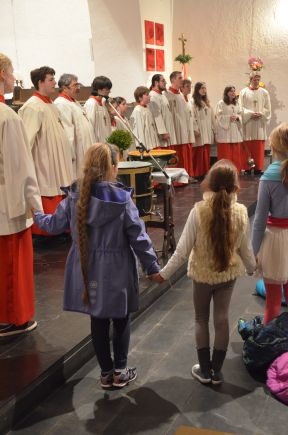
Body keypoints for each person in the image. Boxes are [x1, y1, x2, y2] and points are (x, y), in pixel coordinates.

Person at [33, 143, 160, 388]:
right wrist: (152, 266)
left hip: (86, 267)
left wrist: (35, 213)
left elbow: (52, 225)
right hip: (118, 267)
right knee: (121, 319)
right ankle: (120, 371)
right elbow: (139, 236)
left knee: (98, 320)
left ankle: (105, 373)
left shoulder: (74, 196)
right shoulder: (122, 199)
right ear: (113, 167)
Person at [150, 160, 256, 384]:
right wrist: (252, 268)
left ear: (209, 183)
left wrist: (164, 274)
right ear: (236, 187)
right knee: (222, 319)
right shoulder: (241, 212)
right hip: (227, 275)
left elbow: (181, 251)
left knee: (201, 319)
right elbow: (246, 248)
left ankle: (204, 370)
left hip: (202, 275)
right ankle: (217, 371)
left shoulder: (198, 211)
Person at [0, 53, 43, 337]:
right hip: (7, 204)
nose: (14, 76)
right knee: (10, 266)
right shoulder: (6, 116)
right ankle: (11, 319)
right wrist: (35, 206)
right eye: (11, 70)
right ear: (2, 73)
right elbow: (21, 168)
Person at [18, 66, 73, 235]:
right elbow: (26, 142)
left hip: (58, 163)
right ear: (40, 82)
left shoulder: (50, 104)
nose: (55, 83)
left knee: (60, 190)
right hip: (46, 165)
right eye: (51, 79)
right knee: (49, 193)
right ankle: (46, 231)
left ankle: (61, 227)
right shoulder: (33, 107)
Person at [252, 123, 288, 325]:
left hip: (275, 241)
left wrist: (252, 252)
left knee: (273, 303)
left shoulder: (268, 177)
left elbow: (258, 220)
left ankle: (269, 347)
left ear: (273, 148)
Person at [54, 73, 95, 178]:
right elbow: (67, 133)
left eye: (78, 85)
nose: (78, 88)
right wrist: (70, 155)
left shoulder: (74, 102)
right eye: (75, 85)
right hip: (77, 155)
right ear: (64, 88)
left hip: (85, 152)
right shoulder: (61, 103)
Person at [239, 71, 271, 174]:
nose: (257, 81)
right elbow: (240, 108)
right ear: (250, 80)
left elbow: (268, 108)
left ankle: (258, 168)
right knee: (248, 144)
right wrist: (250, 114)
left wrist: (261, 114)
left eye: (258, 80)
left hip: (259, 123)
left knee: (258, 145)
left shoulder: (264, 92)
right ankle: (247, 168)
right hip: (248, 122)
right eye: (255, 79)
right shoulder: (243, 92)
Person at [164, 71, 195, 176]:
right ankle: (176, 179)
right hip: (175, 130)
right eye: (180, 78)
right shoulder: (167, 95)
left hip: (184, 129)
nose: (182, 80)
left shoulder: (181, 95)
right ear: (172, 80)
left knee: (184, 154)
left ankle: (185, 176)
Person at [216, 86, 243, 172]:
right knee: (225, 152)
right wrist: (228, 118)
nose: (233, 93)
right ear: (226, 93)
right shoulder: (221, 103)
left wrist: (238, 118)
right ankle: (224, 170)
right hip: (225, 131)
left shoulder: (237, 103)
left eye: (234, 91)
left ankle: (235, 170)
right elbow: (218, 116)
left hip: (235, 129)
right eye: (231, 91)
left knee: (235, 152)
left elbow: (240, 114)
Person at [192, 82, 215, 178]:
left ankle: (205, 171)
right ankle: (197, 173)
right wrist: (195, 128)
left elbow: (212, 117)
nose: (204, 90)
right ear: (197, 89)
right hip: (200, 131)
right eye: (202, 88)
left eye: (205, 88)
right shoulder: (193, 102)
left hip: (207, 130)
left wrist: (214, 129)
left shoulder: (207, 102)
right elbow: (192, 117)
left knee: (206, 151)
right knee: (199, 152)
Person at [149, 74, 176, 147]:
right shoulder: (153, 96)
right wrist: (163, 132)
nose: (166, 83)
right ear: (156, 83)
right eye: (163, 81)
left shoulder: (162, 95)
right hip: (162, 135)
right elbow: (156, 115)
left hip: (168, 129)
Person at [84, 76, 112, 142]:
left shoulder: (103, 103)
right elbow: (90, 127)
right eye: (107, 89)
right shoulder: (91, 103)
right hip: (97, 144)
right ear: (99, 89)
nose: (109, 91)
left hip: (105, 141)